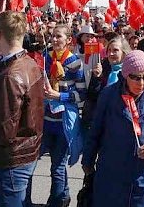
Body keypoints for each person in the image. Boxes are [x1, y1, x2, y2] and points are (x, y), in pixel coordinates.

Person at [81, 50, 144, 207]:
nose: (141, 83)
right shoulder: (108, 95)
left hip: (143, 178)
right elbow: (96, 129)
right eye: (136, 77)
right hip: (111, 176)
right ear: (125, 75)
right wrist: (88, 160)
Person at [0, 11, 44, 206]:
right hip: (27, 150)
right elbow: (17, 103)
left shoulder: (10, 75)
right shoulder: (29, 62)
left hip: (11, 158)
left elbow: (4, 131)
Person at [40, 24, 85, 207]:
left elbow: (81, 95)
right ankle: (63, 197)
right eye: (52, 36)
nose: (54, 39)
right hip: (45, 120)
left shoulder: (74, 62)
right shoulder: (45, 58)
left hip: (64, 122)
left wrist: (60, 96)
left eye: (59, 36)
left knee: (57, 167)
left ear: (68, 40)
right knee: (39, 163)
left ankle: (56, 202)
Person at [82, 36, 130, 133]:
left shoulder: (130, 72)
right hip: (102, 121)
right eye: (109, 50)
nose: (111, 54)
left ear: (124, 53)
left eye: (115, 50)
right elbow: (92, 96)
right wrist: (97, 78)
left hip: (121, 122)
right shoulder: (103, 68)